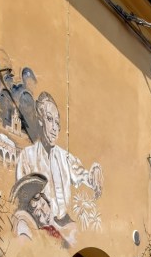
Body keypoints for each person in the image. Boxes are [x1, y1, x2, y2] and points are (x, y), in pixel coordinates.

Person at [15, 92, 103, 229]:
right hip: (41, 226)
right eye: (50, 119)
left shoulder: (65, 157)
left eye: (57, 122)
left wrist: (95, 172)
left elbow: (83, 175)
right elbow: (22, 198)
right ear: (40, 121)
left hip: (66, 224)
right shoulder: (27, 157)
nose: (55, 128)